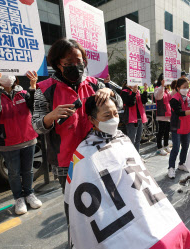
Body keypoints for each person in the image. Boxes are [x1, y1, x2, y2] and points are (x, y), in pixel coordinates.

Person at [64, 96, 190, 249]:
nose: (113, 119)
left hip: (142, 202)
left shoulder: (123, 139)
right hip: (116, 216)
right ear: (92, 119)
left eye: (115, 113)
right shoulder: (83, 155)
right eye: (107, 116)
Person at [32, 38, 123, 193]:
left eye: (79, 61)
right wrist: (51, 116)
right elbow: (37, 127)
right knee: (76, 205)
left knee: (105, 199)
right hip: (67, 162)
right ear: (58, 64)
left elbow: (119, 105)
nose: (75, 66)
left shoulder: (95, 83)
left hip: (98, 153)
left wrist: (110, 92)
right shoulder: (45, 89)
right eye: (68, 63)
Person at [0, 71, 42, 215]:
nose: (6, 76)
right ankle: (19, 198)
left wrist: (33, 86)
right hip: (8, 142)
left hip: (29, 139)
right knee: (14, 173)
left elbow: (34, 106)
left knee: (28, 170)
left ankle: (29, 194)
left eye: (9, 72)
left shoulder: (23, 93)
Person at [168, 77, 190, 179]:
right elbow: (179, 112)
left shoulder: (189, 96)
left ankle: (182, 163)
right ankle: (171, 167)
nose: (186, 89)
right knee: (175, 148)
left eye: (188, 87)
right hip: (177, 126)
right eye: (184, 87)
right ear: (178, 88)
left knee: (185, 147)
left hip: (187, 126)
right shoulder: (174, 99)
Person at [121, 80, 148, 152]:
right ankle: (131, 157)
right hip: (131, 119)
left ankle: (137, 156)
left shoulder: (137, 91)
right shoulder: (124, 92)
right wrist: (133, 92)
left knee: (138, 140)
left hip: (139, 118)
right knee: (131, 140)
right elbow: (130, 103)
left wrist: (145, 91)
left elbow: (144, 101)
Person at [154, 73, 172, 155]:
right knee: (161, 132)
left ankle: (165, 145)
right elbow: (158, 97)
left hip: (168, 114)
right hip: (161, 114)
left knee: (167, 131)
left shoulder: (167, 90)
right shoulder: (158, 89)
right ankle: (159, 147)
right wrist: (162, 86)